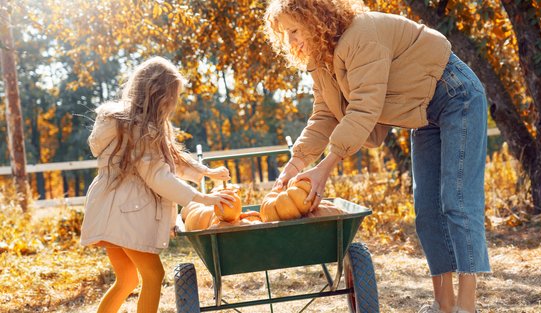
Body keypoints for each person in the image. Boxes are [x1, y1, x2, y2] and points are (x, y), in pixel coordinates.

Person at [264, 1, 490, 312]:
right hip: (422, 113)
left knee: (457, 200)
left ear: (314, 19)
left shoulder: (361, 35)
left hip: (455, 94)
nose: (290, 41)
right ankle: (444, 304)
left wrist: (325, 166)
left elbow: (363, 109)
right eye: (283, 35)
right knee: (427, 211)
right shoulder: (321, 60)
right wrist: (297, 162)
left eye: (294, 30)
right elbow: (325, 114)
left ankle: (467, 306)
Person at [80, 57, 234, 313]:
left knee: (127, 279)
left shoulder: (128, 123)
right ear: (159, 95)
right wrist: (203, 199)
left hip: (109, 208)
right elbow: (158, 175)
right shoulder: (141, 128)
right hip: (126, 212)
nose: (174, 103)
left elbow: (170, 160)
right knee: (153, 275)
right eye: (173, 96)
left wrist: (206, 172)